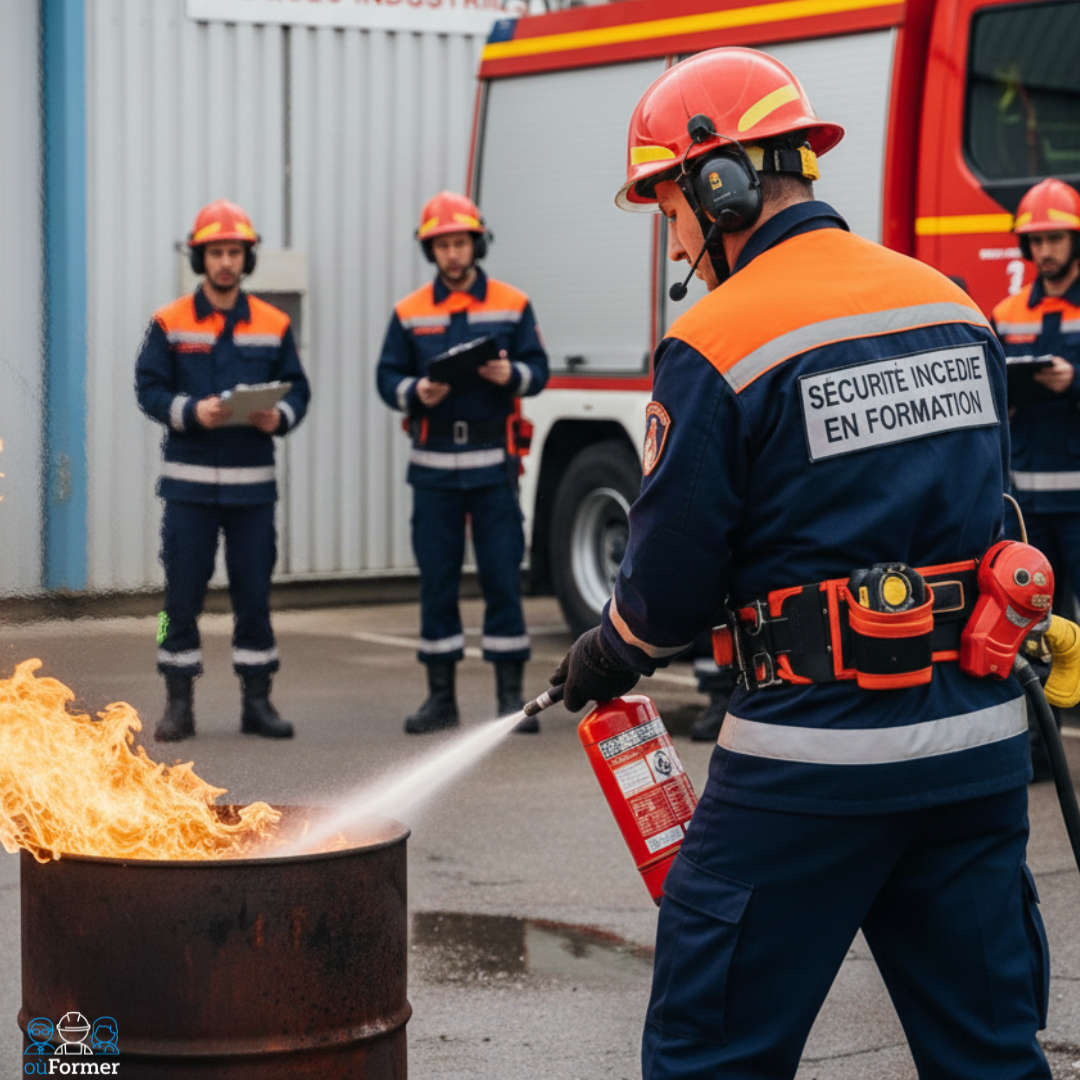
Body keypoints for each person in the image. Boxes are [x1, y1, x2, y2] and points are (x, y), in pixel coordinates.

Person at [550, 47, 1051, 1078]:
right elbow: (991, 507)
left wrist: (609, 650)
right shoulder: (952, 305)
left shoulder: (718, 339)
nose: (676, 243)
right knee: (990, 1055)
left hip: (815, 759)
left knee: (709, 1049)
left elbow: (670, 587)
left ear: (718, 184)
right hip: (979, 748)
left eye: (669, 209)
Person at [136, 199, 311, 742]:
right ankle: (176, 702)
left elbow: (298, 390)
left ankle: (257, 702)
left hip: (252, 494)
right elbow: (148, 389)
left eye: (235, 252)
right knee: (177, 602)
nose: (226, 262)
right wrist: (192, 412)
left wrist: (279, 416)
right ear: (200, 258)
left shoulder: (274, 323)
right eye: (216, 253)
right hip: (187, 492)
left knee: (254, 599)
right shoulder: (169, 322)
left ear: (247, 258)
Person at [377, 192, 549, 734]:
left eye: (460, 242)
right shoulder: (409, 312)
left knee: (502, 577)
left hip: (493, 465)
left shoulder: (512, 304)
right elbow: (386, 377)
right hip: (432, 468)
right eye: (442, 244)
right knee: (437, 581)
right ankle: (440, 699)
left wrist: (511, 376)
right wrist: (415, 391)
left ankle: (510, 700)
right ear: (430, 250)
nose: (452, 253)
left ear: (477, 243)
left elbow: (539, 370)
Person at [992, 178, 1080, 779]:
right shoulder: (1006, 314)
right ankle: (1038, 751)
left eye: (1055, 238)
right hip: (1028, 501)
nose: (1044, 250)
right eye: (1036, 240)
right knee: (1033, 627)